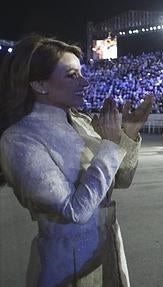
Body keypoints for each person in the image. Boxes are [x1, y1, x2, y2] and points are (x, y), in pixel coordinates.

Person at [0, 35, 153, 286]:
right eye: (72, 75)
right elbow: (75, 210)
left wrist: (129, 133)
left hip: (108, 249)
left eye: (82, 73)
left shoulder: (81, 122)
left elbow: (121, 179)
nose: (85, 82)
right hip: (66, 262)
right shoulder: (19, 139)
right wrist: (109, 146)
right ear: (39, 84)